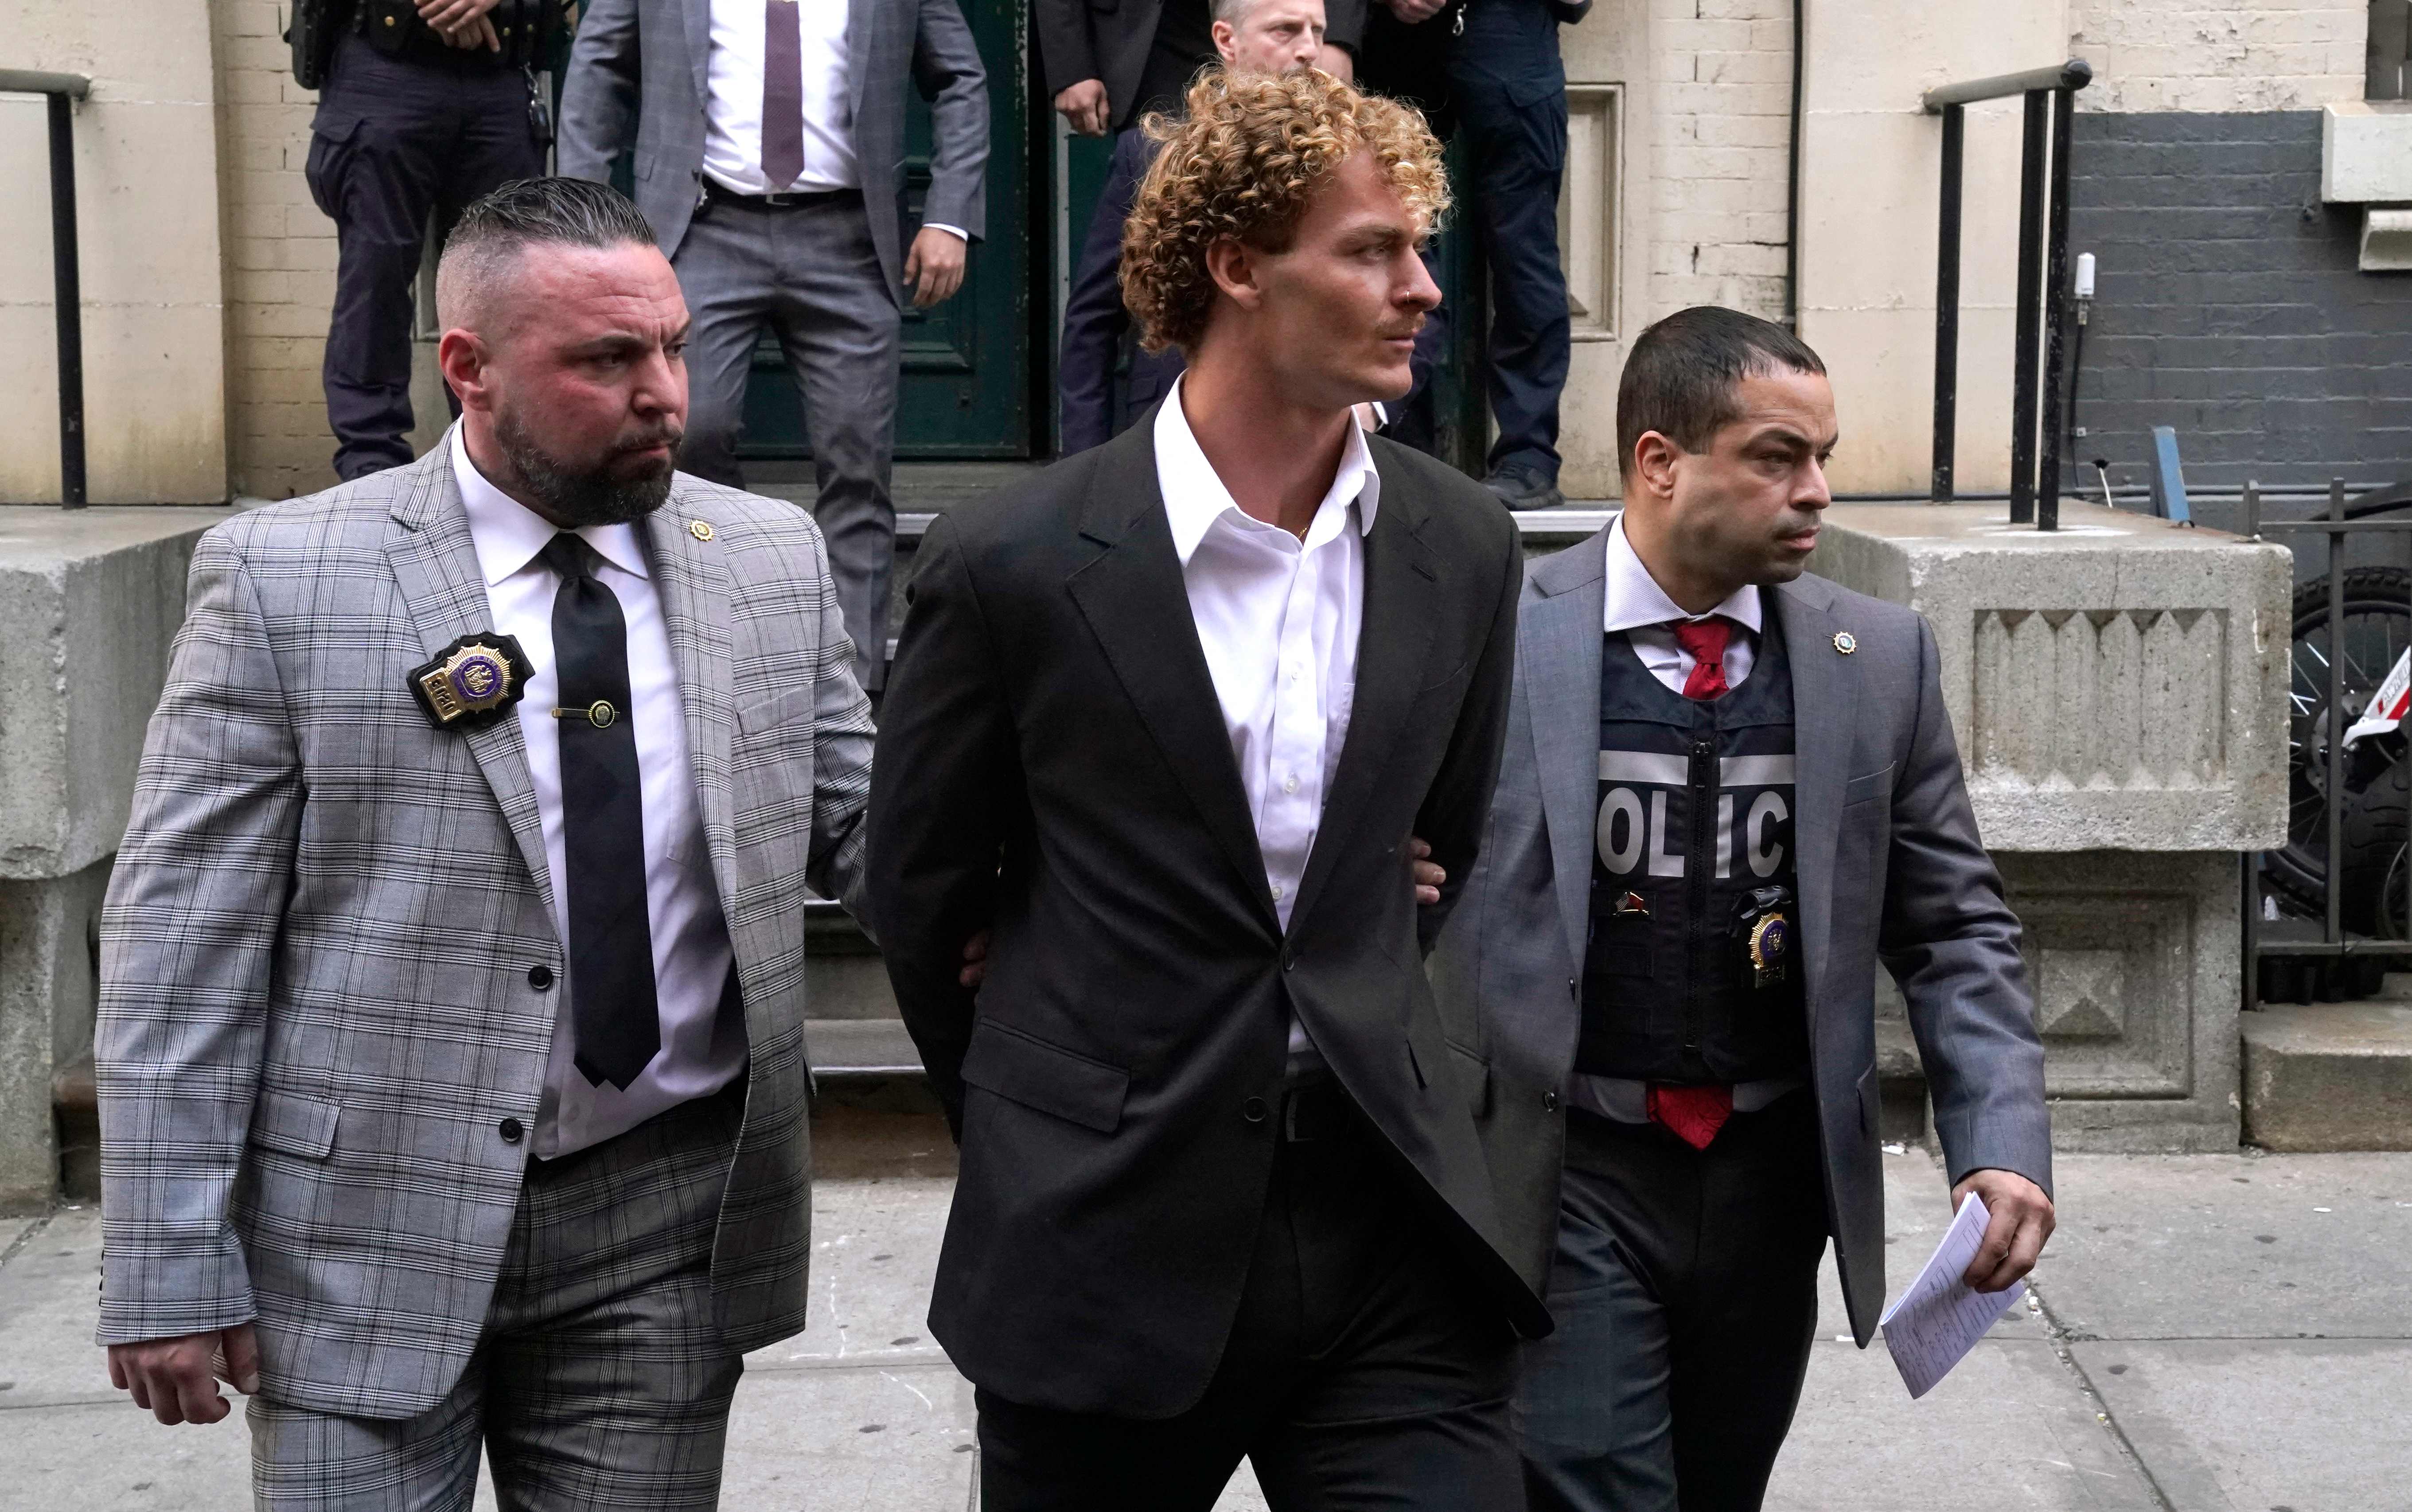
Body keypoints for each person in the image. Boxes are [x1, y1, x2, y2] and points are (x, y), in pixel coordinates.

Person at [93, 177, 877, 1508]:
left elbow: (867, 830)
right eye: (608, 359)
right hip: (359, 1238)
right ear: (470, 369)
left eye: (676, 347)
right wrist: (170, 1263)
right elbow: (182, 944)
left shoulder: (766, 559)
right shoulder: (289, 580)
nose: (667, 397)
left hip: (663, 1224)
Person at [866, 68, 1547, 1512]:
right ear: (1237, 266)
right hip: (1099, 1240)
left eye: (1420, 247)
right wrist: (1051, 1078)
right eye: (1372, 250)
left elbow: (1437, 837)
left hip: (1386, 1230)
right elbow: (918, 895)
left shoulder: (1464, 542)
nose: (1424, 286)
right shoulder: (1018, 561)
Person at [1430, 306, 2057, 1512]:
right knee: (1597, 1486)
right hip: (1568, 1170)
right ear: (1659, 462)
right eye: (1777, 457)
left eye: (1820, 455)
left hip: (1773, 1185)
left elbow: (1952, 925)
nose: (1817, 490)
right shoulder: (1497, 638)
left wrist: (1999, 1137)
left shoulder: (1875, 659)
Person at [557, 0, 988, 698]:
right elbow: (598, 70)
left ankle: (846, 696)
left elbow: (961, 79)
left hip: (851, 238)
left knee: (858, 463)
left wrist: (949, 216)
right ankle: (726, 650)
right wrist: (585, 220)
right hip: (702, 227)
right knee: (688, 436)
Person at [1054, 0, 1360, 455]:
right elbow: (1093, 321)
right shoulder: (1151, 154)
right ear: (1225, 40)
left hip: (1317, 436)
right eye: (1285, 31)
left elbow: (1417, 293)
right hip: (1171, 430)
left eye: (1317, 31)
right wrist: (1083, 465)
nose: (1309, 50)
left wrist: (1370, 409)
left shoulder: (1354, 158)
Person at [302, 0, 561, 481]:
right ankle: (372, 471)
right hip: (385, 66)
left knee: (503, 286)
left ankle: (499, 467)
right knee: (375, 277)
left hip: (501, 71)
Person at [1360, 0, 1586, 508]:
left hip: (1508, 25)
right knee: (1388, 239)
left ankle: (1527, 454)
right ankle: (1401, 446)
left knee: (1522, 255)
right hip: (1397, 37)